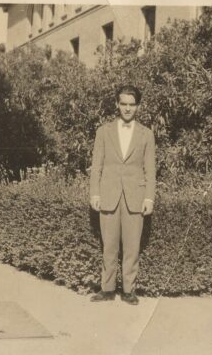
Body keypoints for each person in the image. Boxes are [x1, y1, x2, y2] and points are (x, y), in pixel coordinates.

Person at [88, 84, 156, 305]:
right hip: (108, 195)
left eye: (132, 104)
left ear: (137, 106)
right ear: (117, 104)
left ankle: (129, 290)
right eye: (123, 104)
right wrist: (95, 194)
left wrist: (149, 198)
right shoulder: (103, 131)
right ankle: (107, 289)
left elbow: (150, 169)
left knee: (132, 247)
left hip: (135, 198)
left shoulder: (146, 134)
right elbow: (96, 166)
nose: (127, 109)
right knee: (109, 245)